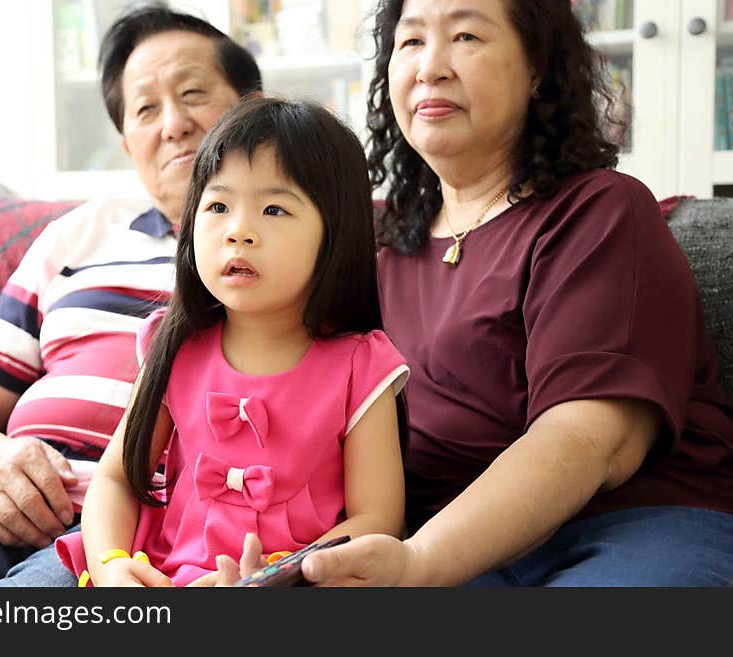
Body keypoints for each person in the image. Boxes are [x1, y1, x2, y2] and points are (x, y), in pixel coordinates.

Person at [231, 0, 733, 587]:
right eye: (411, 42)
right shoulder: (373, 244)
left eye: (465, 35)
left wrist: (420, 564)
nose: (431, 67)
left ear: (537, 67)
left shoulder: (599, 211)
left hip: (626, 528)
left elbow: (590, 440)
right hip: (435, 544)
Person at [0, 5, 262, 587]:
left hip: (144, 530)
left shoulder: (288, 252)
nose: (172, 124)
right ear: (127, 143)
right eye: (145, 109)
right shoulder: (80, 234)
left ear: (253, 108)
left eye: (194, 93)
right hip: (4, 497)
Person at [54, 97, 410, 587]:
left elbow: (378, 520)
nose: (239, 231)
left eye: (273, 209)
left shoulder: (361, 365)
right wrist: (113, 564)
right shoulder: (176, 345)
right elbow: (115, 479)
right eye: (218, 205)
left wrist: (275, 577)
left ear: (336, 235)